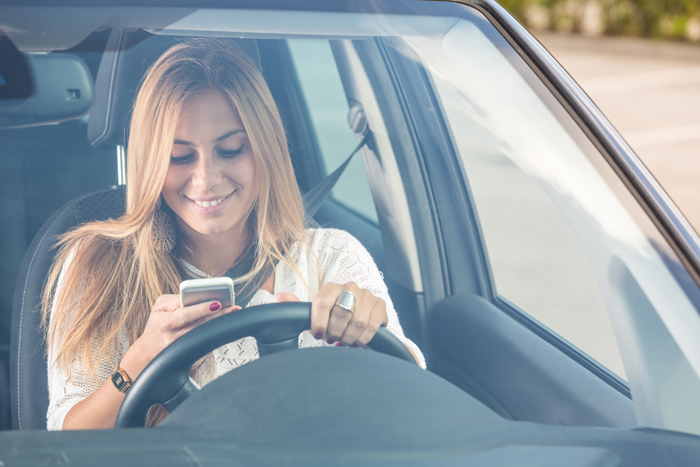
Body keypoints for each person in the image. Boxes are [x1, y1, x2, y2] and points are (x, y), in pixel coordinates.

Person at [42, 38, 425, 431]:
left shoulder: (332, 257)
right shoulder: (98, 265)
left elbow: (416, 404)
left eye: (231, 149)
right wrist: (142, 358)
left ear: (265, 150)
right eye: (181, 157)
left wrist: (363, 330)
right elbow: (69, 441)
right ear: (151, 162)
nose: (206, 179)